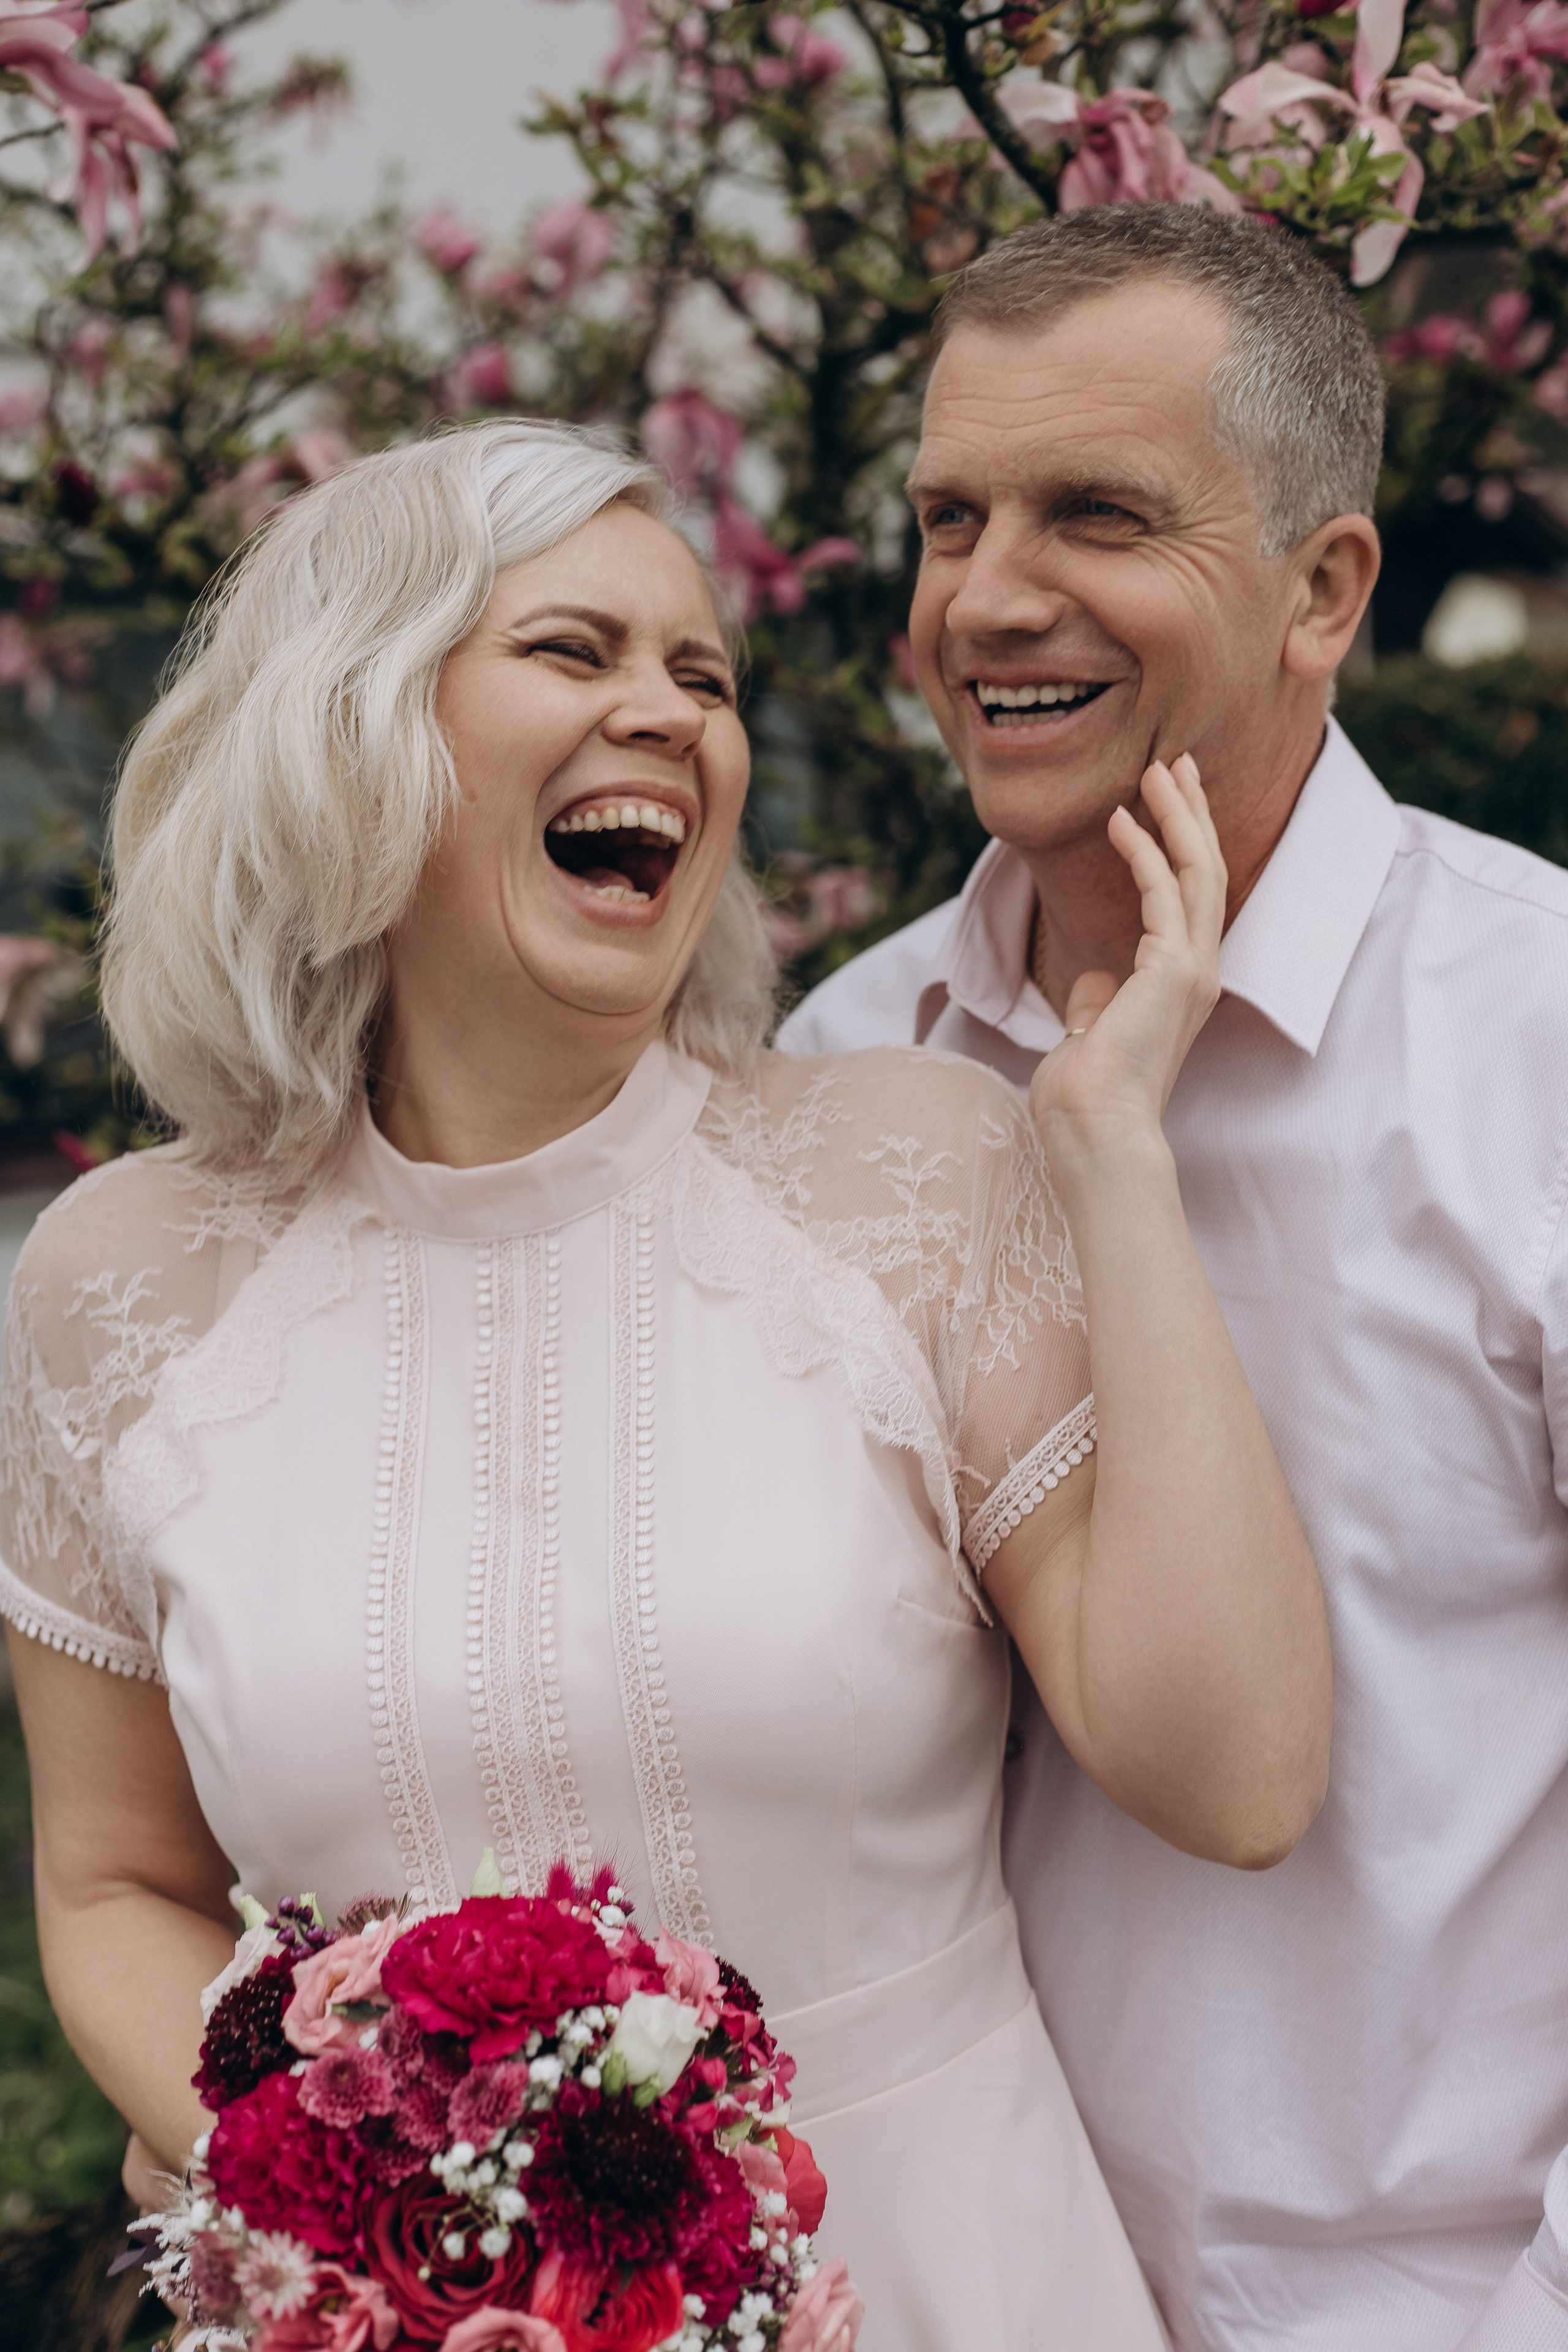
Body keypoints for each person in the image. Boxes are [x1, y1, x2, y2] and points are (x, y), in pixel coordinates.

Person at [0, 419, 1327, 2350]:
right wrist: (355, 2195)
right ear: (355, 724)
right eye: (575, 652)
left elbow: (1241, 1774)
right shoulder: (115, 1279)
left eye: (703, 674)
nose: (673, 716)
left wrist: (1114, 1151)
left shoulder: (912, 1175)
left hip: (954, 2280)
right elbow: (117, 1881)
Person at [780, 204, 1568, 2352]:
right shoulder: (831, 1077)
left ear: (1325, 590)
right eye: (951, 516)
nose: (988, 599)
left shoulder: (1544, 1048)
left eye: (1094, 513)